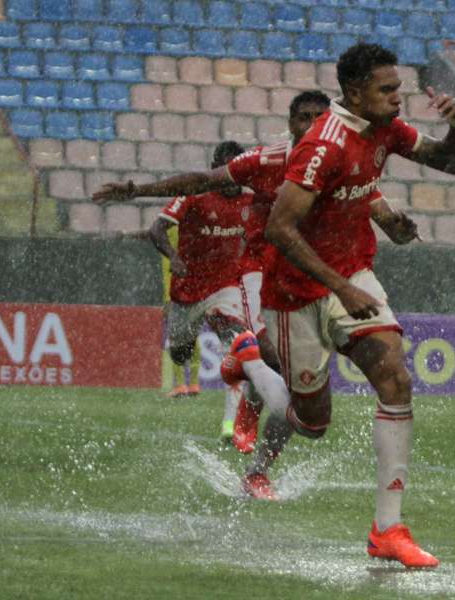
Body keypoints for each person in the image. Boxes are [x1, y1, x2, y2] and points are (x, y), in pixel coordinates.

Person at [253, 42, 455, 568]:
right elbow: (278, 229)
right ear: (354, 93)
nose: (398, 99)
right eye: (387, 89)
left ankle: (388, 531)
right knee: (314, 421)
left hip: (352, 274)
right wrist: (340, 287)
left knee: (394, 377)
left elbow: (452, 164)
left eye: (398, 88)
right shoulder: (322, 145)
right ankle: (251, 357)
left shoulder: (386, 130)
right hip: (294, 293)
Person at [94, 91, 332, 495]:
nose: (310, 126)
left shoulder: (338, 166)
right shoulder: (254, 169)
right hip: (221, 286)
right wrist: (138, 192)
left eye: (319, 118)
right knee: (195, 351)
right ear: (289, 122)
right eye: (302, 117)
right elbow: (183, 202)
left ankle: (252, 443)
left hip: (274, 284)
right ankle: (249, 404)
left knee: (286, 385)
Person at [132, 141, 254, 442]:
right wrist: (173, 257)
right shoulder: (194, 195)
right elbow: (156, 229)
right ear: (214, 169)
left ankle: (232, 427)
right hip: (187, 292)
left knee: (240, 348)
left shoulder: (254, 199)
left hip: (226, 288)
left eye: (235, 171)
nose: (229, 179)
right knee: (180, 351)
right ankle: (182, 353)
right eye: (224, 171)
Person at [161, 225, 202, 398]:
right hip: (196, 288)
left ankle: (180, 385)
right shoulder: (192, 225)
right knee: (193, 336)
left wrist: (167, 299)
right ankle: (194, 383)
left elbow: (168, 270)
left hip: (176, 291)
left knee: (175, 336)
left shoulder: (167, 230)